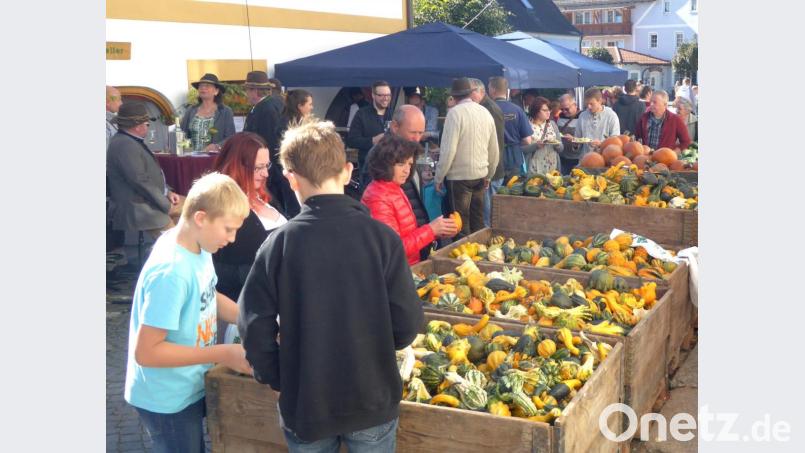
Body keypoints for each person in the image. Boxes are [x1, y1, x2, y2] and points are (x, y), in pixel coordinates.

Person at [238, 120, 423, 450]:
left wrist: (279, 376)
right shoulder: (382, 240)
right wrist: (375, 352)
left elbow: (253, 326)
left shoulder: (278, 245)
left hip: (307, 402)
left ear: (290, 177)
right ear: (348, 172)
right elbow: (407, 323)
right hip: (372, 398)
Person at [124, 172, 253, 453]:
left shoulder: (198, 245)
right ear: (201, 218)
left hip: (187, 385)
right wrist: (222, 353)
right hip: (167, 399)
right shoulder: (172, 272)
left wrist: (252, 321)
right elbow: (146, 352)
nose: (232, 239)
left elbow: (209, 296)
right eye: (228, 229)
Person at [211, 132, 287, 343]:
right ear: (237, 166)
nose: (265, 174)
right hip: (245, 313)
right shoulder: (225, 208)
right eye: (257, 168)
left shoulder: (264, 198)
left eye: (266, 166)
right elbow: (219, 273)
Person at [362, 135, 457, 264]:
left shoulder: (395, 188)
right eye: (401, 164)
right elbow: (393, 249)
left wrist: (438, 231)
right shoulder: (378, 198)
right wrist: (431, 230)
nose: (407, 170)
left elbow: (407, 234)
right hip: (395, 274)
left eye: (410, 164)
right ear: (385, 163)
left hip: (406, 267)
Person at [364, 105, 433, 260]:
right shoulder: (379, 159)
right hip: (403, 256)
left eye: (421, 133)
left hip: (414, 248)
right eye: (413, 132)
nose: (417, 138)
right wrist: (429, 231)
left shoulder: (406, 155)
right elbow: (391, 246)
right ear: (395, 126)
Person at [107, 102, 183, 237]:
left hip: (146, 203)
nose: (148, 127)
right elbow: (140, 181)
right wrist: (165, 204)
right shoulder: (125, 144)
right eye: (147, 124)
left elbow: (149, 176)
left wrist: (168, 192)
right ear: (138, 127)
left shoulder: (129, 140)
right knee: (177, 239)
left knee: (191, 209)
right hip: (140, 208)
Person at [435, 77, 499, 236]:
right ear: (470, 94)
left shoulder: (454, 114)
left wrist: (439, 177)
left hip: (459, 177)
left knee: (460, 223)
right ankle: (478, 254)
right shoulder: (485, 112)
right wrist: (489, 175)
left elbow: (448, 150)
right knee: (477, 221)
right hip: (481, 174)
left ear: (454, 97)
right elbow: (494, 150)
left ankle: (462, 258)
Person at [470, 78, 505, 228]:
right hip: (489, 170)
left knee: (487, 216)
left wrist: (489, 173)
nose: (468, 96)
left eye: (470, 92)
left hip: (491, 172)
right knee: (484, 213)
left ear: (481, 92)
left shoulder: (489, 108)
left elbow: (495, 144)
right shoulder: (483, 107)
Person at [348, 80, 393, 189]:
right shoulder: (362, 114)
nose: (385, 98)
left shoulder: (394, 114)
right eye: (381, 95)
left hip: (390, 168)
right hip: (369, 171)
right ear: (373, 95)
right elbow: (352, 140)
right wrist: (372, 140)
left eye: (387, 95)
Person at [487, 77, 532, 179]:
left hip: (493, 157)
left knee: (493, 192)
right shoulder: (518, 110)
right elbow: (528, 140)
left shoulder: (486, 109)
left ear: (493, 90)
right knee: (512, 191)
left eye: (489, 88)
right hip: (514, 158)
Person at [180, 73, 236, 152]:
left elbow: (231, 138)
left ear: (216, 91)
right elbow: (181, 133)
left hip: (214, 159)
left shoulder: (225, 111)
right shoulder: (191, 110)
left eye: (207, 86)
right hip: (191, 158)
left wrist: (217, 146)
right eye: (201, 86)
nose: (203, 88)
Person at [574, 88, 620, 158]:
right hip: (585, 159)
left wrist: (602, 144)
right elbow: (578, 139)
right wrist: (575, 144)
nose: (589, 107)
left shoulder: (611, 115)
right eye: (587, 104)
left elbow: (616, 141)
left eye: (591, 104)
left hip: (605, 159)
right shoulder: (582, 116)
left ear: (600, 101)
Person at [243, 71, 281, 153]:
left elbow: (270, 142)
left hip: (266, 161)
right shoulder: (270, 104)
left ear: (255, 91)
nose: (246, 94)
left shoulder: (266, 109)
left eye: (247, 90)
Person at [527, 96, 562, 174]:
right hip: (534, 168)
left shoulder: (552, 124)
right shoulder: (527, 125)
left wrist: (557, 145)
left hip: (553, 169)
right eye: (545, 110)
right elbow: (522, 149)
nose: (548, 112)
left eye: (549, 110)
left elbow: (561, 148)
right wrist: (536, 146)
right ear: (536, 111)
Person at [556, 94, 581, 174]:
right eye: (562, 109)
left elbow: (587, 138)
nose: (564, 112)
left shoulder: (583, 118)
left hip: (578, 158)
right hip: (563, 157)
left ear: (575, 105)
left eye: (567, 109)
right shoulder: (560, 118)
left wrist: (574, 139)